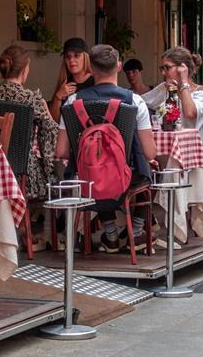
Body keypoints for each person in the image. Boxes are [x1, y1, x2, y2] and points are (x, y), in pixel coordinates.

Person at [54, 45, 157, 253]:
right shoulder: (134, 101)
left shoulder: (74, 101)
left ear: (90, 69)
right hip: (126, 177)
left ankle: (110, 234)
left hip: (86, 177)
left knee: (98, 170)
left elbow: (62, 151)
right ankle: (135, 232)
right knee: (151, 170)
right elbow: (149, 153)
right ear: (119, 67)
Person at [0, 45, 58, 200]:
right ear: (25, 70)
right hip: (24, 173)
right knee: (53, 178)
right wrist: (48, 169)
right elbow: (50, 134)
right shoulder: (32, 98)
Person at [141, 47, 203, 143]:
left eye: (167, 67)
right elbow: (140, 102)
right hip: (163, 146)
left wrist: (183, 81)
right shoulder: (165, 88)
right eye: (162, 68)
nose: (163, 72)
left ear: (182, 68)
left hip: (189, 149)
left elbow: (190, 114)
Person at [49, 37, 94, 122]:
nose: (71, 60)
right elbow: (54, 121)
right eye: (67, 57)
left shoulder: (96, 81)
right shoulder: (64, 84)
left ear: (85, 57)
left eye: (76, 55)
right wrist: (58, 97)